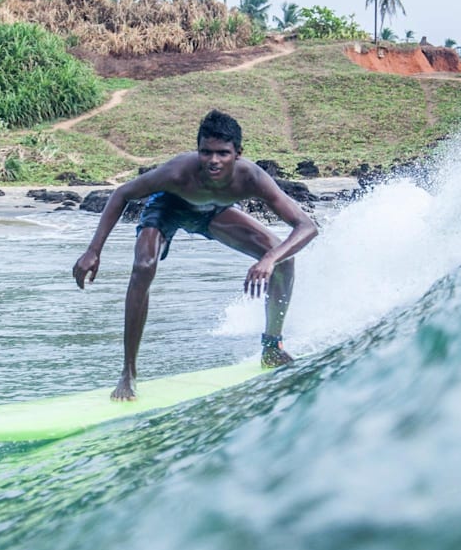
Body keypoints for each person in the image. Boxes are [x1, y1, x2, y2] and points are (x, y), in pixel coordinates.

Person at [72, 109, 319, 400]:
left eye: (223, 153)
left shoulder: (251, 178)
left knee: (283, 260)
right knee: (144, 265)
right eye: (206, 152)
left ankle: (271, 347)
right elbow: (122, 194)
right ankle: (128, 372)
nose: (213, 161)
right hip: (168, 209)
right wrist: (93, 250)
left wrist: (268, 259)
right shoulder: (178, 172)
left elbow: (307, 226)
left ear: (238, 153)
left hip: (213, 213)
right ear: (198, 150)